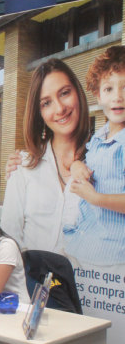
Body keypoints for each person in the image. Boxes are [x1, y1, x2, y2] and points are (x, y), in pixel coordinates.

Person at [1, 58, 90, 253]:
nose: (59, 109)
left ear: (78, 93)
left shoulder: (103, 161)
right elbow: (9, 239)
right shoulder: (22, 166)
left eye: (65, 93)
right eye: (46, 103)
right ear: (39, 112)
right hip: (32, 280)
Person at [64, 46, 125, 265]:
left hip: (112, 258)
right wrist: (77, 165)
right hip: (82, 245)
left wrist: (96, 199)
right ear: (98, 96)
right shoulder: (98, 138)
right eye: (109, 89)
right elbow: (85, 166)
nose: (118, 97)